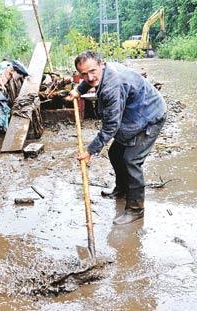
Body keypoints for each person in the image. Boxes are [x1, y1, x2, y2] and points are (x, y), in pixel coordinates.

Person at [68, 51, 166, 225]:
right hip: (133, 112)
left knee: (131, 160)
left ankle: (136, 209)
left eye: (92, 71)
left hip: (150, 115)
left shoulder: (113, 86)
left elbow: (111, 126)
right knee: (115, 153)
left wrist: (90, 151)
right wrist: (78, 90)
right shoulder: (99, 73)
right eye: (83, 74)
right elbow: (89, 81)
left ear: (102, 64)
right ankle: (122, 189)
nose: (89, 77)